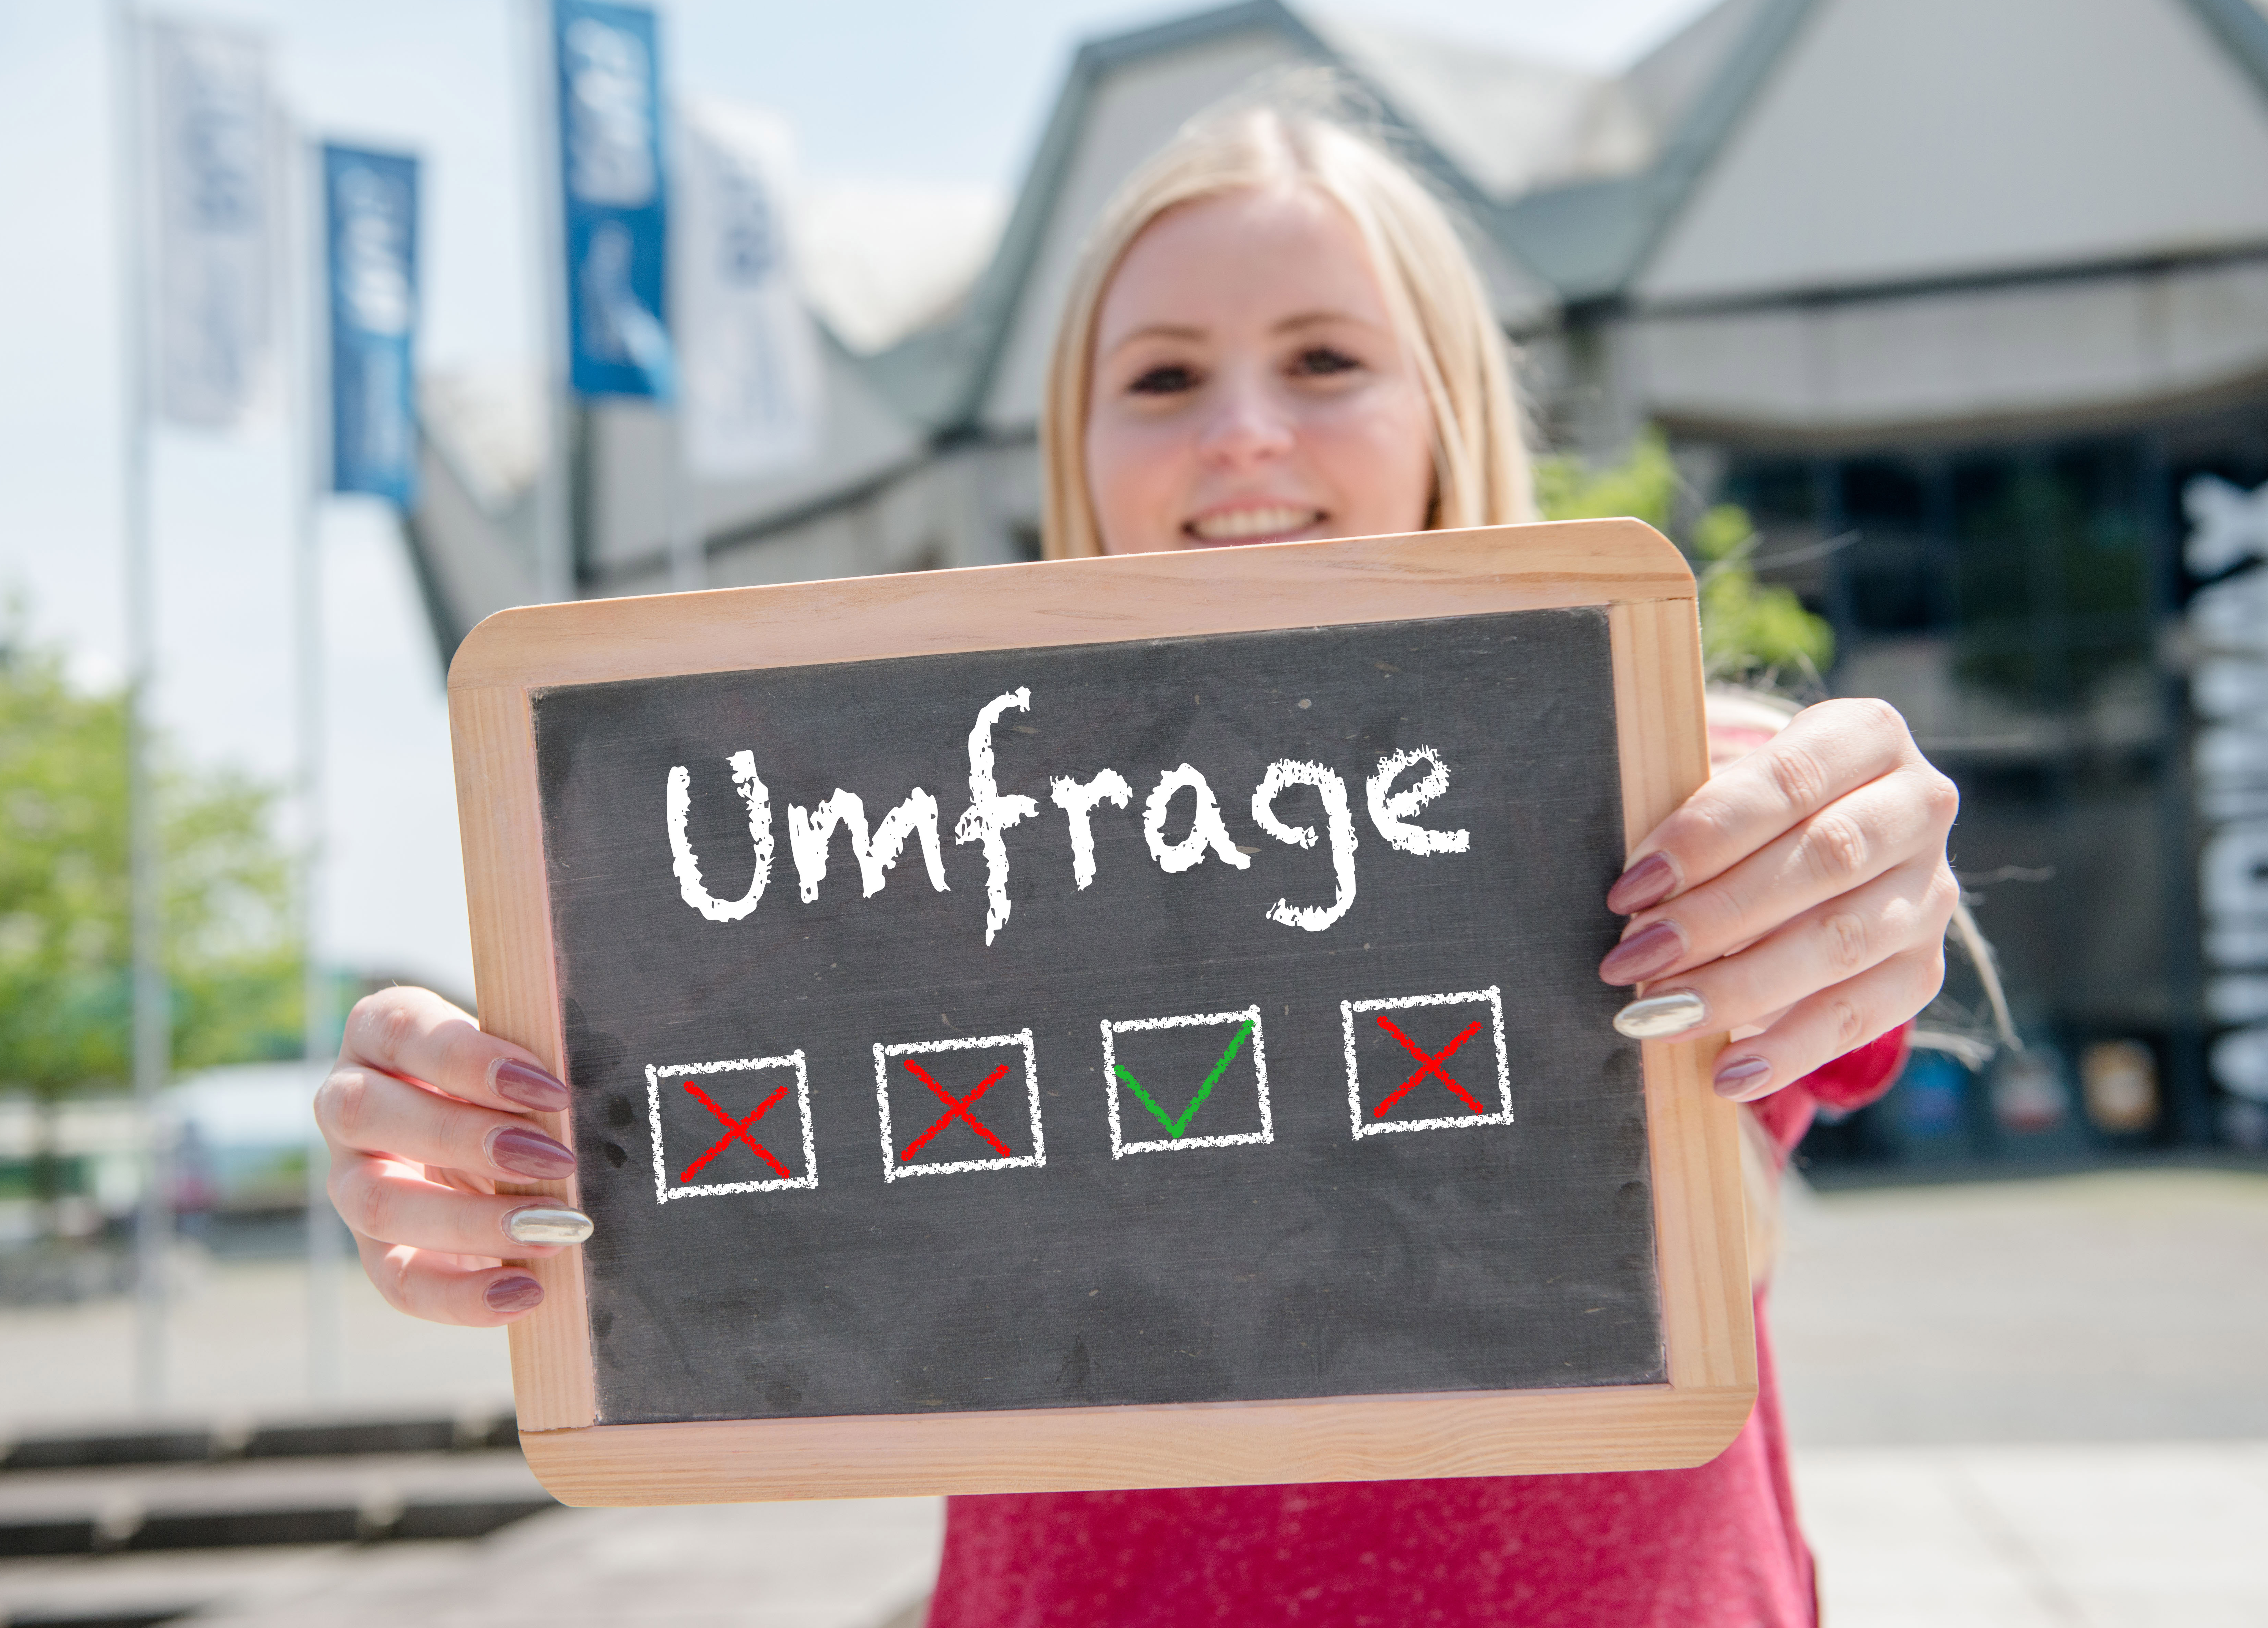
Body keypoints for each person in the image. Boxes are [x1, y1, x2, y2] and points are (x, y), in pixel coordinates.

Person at [314, 99, 1960, 1624]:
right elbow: (675, 1176)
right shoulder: (923, 852)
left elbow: (1725, 1187)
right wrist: (471, 1160)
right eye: (1164, 378)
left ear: (1447, 402)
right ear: (1073, 448)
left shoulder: (1669, 769)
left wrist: (1848, 880)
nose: (1243, 431)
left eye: (1323, 359)